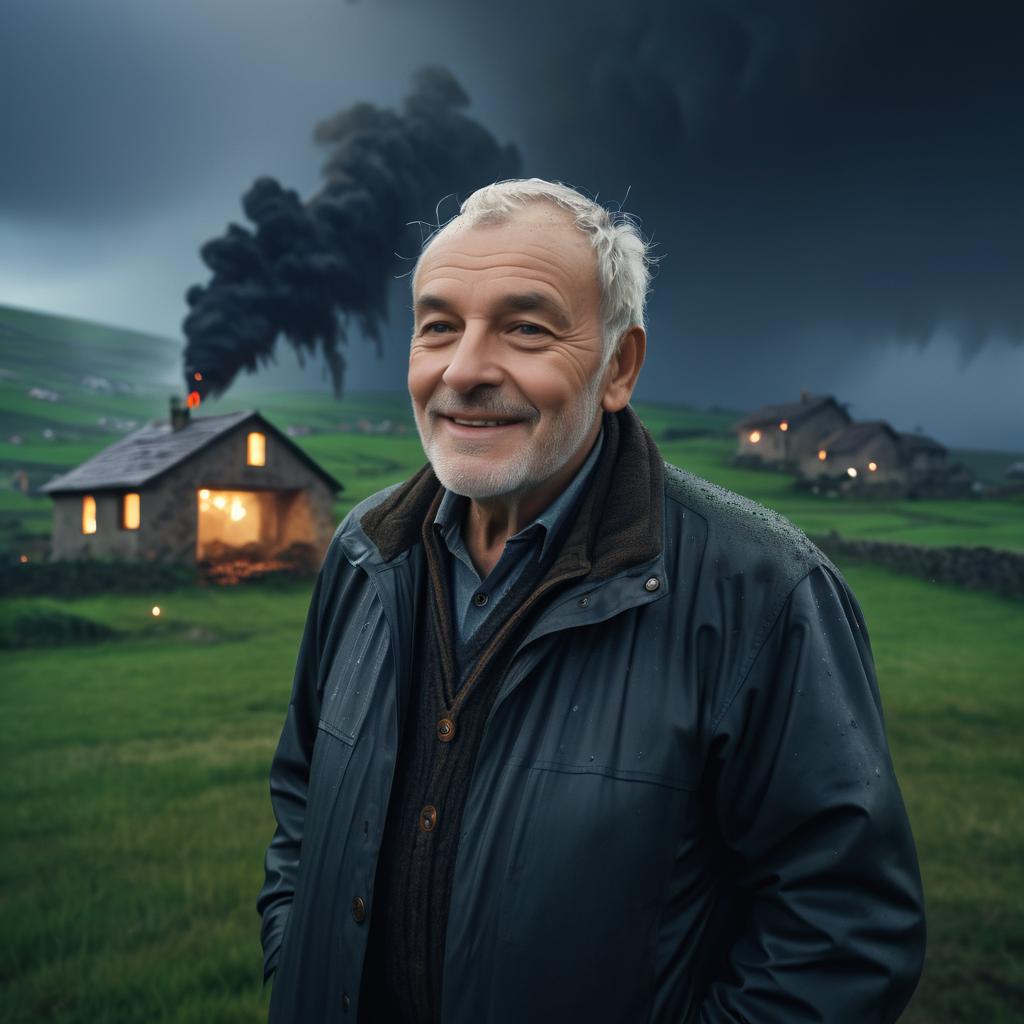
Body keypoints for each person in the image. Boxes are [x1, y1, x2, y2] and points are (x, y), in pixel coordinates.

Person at [257, 178, 926, 1023]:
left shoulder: (763, 591)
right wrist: (296, 967)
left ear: (619, 367)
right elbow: (301, 807)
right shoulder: (365, 550)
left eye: (526, 328)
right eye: (438, 328)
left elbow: (845, 932)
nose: (464, 370)